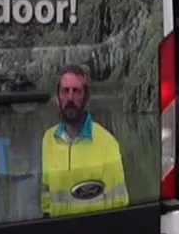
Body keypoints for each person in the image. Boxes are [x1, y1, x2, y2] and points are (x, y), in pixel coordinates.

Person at [41, 65, 131, 216]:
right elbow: (46, 201)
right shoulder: (48, 140)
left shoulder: (107, 142)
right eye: (65, 91)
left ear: (86, 98)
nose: (70, 98)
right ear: (57, 97)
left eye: (76, 91)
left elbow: (119, 204)